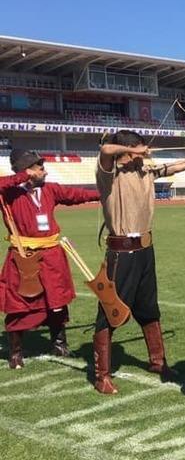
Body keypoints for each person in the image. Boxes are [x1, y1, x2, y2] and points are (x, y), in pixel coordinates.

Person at [93, 130, 185, 394]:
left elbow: (176, 167)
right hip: (122, 253)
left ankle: (158, 361)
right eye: (139, 150)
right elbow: (106, 151)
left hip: (145, 252)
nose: (145, 154)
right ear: (127, 151)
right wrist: (136, 152)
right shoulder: (109, 175)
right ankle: (101, 374)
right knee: (111, 309)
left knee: (149, 309)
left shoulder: (146, 172)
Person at [0, 149, 100, 368]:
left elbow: (77, 195)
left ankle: (59, 343)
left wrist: (103, 194)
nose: (44, 171)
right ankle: (16, 352)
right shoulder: (9, 193)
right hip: (24, 256)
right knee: (20, 305)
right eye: (39, 167)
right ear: (27, 170)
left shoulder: (50, 189)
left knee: (57, 301)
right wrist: (24, 176)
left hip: (52, 255)